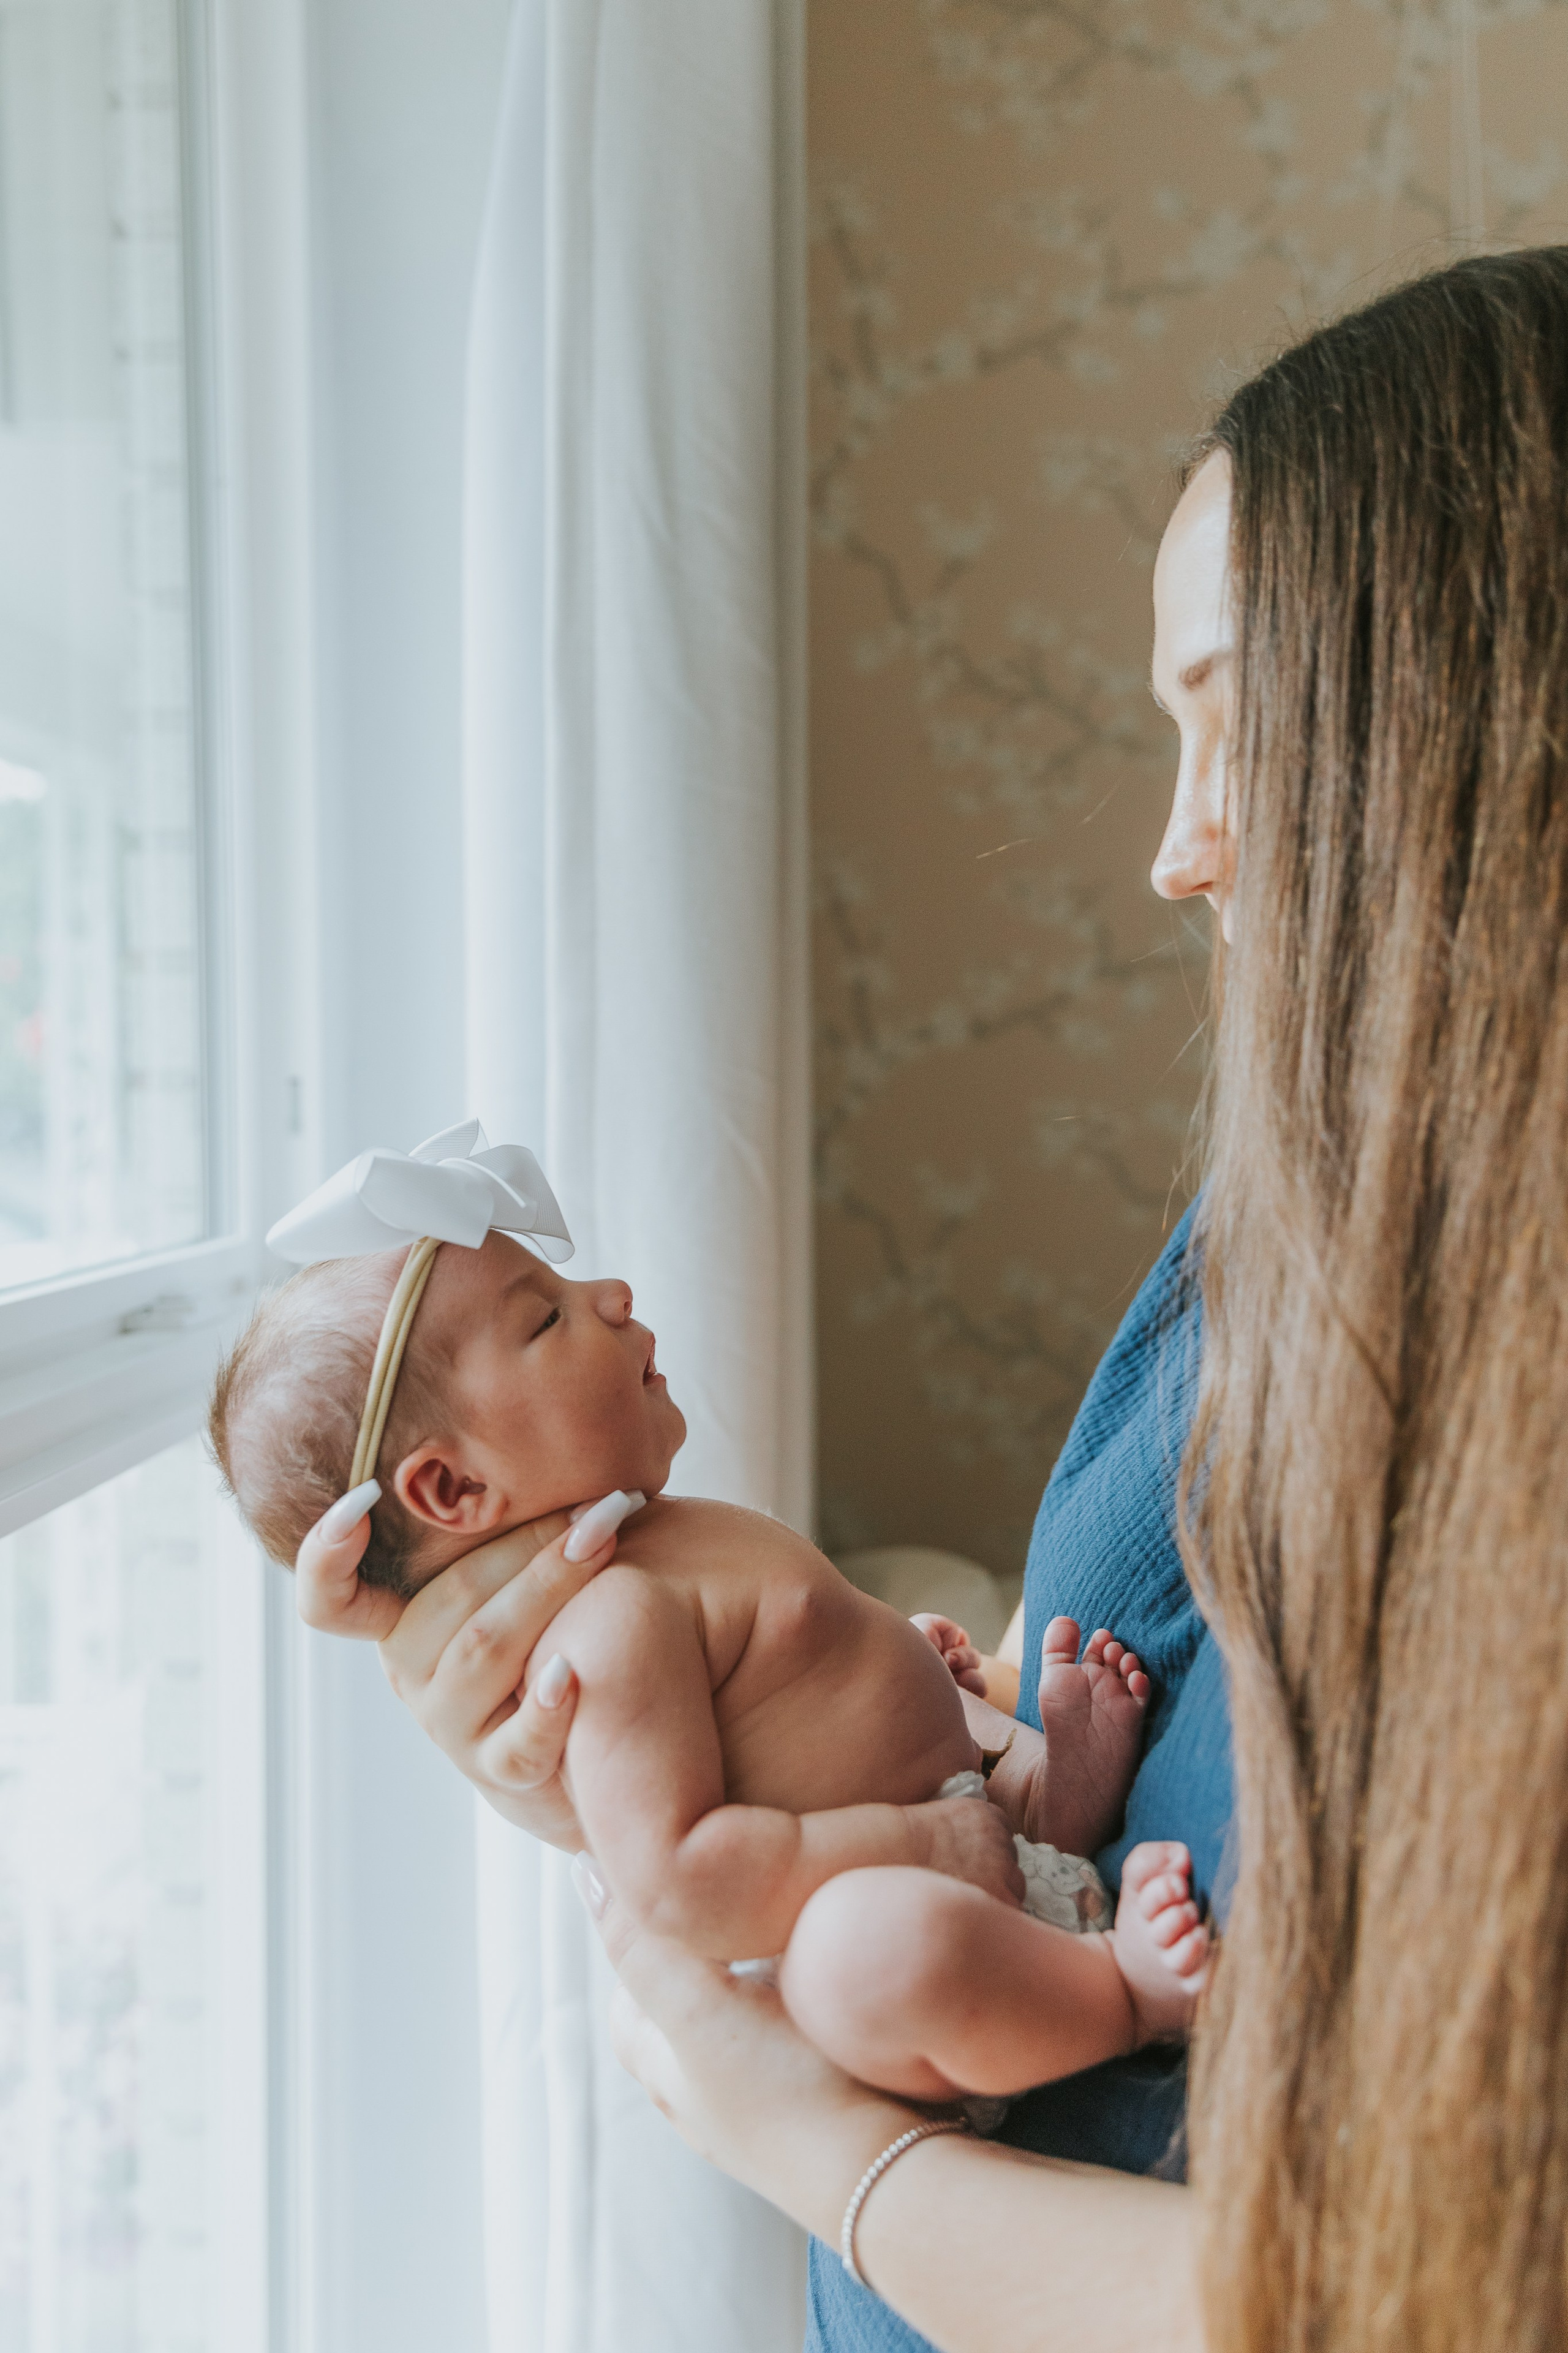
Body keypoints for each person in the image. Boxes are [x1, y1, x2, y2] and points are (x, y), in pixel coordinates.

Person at [293, 247, 1568, 2352]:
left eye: (1239, 722)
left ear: (1499, 729)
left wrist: (821, 2149)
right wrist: (627, 1757)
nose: (1178, 852)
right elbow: (1073, 1792)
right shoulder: (1274, 1232)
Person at [213, 1212, 1208, 2096]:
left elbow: (777, 1695)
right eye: (546, 1317)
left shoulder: (652, 1538)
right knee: (862, 1950)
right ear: (457, 1491)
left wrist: (895, 1671)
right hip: (906, 1941)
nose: (611, 1293)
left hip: (964, 1831)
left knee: (941, 1697)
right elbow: (681, 1882)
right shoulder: (604, 1631)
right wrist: (925, 1845)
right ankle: (1122, 1995)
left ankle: (1052, 1801)